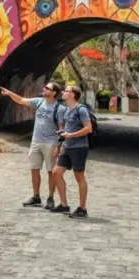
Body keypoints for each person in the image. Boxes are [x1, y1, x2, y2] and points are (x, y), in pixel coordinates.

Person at [0, 82, 63, 209]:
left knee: (51, 171)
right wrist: (10, 93)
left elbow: (61, 128)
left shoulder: (59, 109)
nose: (44, 89)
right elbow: (21, 100)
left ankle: (50, 198)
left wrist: (59, 146)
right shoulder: (39, 102)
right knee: (34, 169)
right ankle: (36, 196)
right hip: (36, 141)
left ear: (54, 93)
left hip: (50, 143)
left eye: (47, 88)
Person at [52, 84, 93, 218]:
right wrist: (61, 140)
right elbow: (68, 130)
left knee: (79, 176)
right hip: (67, 146)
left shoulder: (81, 110)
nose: (63, 92)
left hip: (79, 147)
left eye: (67, 91)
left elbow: (88, 128)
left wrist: (71, 135)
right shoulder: (67, 110)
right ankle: (64, 205)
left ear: (73, 95)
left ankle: (82, 208)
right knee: (56, 172)